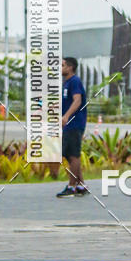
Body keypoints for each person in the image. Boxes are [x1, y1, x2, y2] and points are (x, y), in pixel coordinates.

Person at [57, 57, 89, 197]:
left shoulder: (75, 81)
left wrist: (66, 116)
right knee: (71, 156)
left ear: (70, 67)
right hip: (69, 125)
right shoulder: (67, 83)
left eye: (62, 65)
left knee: (73, 155)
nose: (60, 67)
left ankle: (71, 187)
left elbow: (78, 100)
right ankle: (81, 186)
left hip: (75, 123)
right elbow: (66, 102)